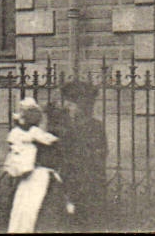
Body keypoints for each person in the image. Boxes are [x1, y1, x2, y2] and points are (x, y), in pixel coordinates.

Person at [42, 81, 106, 232]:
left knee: (85, 221)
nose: (68, 107)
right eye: (69, 103)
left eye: (72, 104)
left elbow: (99, 155)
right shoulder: (63, 126)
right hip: (66, 180)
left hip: (87, 182)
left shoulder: (95, 126)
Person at [4, 97, 59, 233]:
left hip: (27, 175)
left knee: (23, 208)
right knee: (30, 208)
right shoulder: (33, 133)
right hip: (36, 175)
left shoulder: (17, 133)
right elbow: (51, 141)